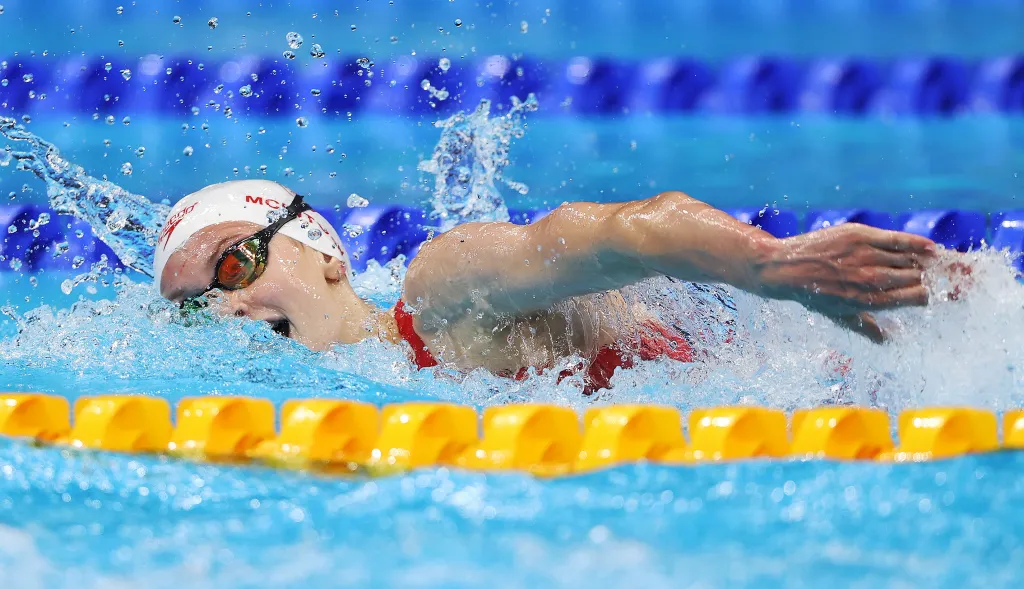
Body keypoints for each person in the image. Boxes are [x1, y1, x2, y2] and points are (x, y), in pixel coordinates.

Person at [154, 180, 936, 393]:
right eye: (199, 308)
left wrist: (771, 266)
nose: (226, 307)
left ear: (327, 253)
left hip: (858, 377)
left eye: (233, 264)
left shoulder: (441, 294)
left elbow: (623, 232)